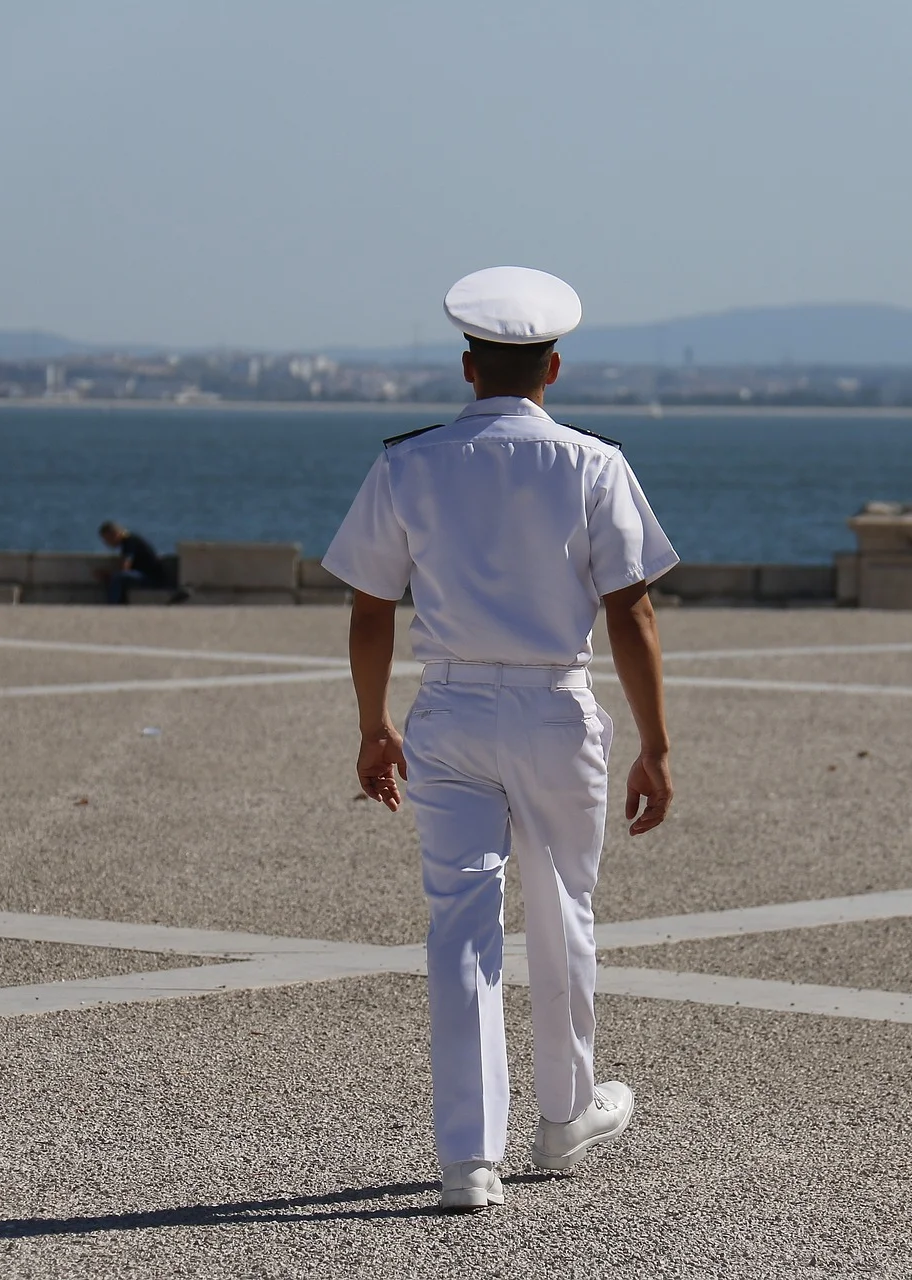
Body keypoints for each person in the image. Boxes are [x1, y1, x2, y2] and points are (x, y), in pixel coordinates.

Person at [322, 267, 679, 1212]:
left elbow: (370, 609)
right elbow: (632, 616)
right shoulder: (594, 464)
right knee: (564, 907)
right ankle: (564, 1114)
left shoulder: (407, 462)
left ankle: (468, 1160)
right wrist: (657, 744)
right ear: (553, 367)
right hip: (556, 707)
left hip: (449, 710)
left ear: (469, 366)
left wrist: (373, 726)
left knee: (461, 926)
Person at [94, 521, 167, 604]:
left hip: (151, 578)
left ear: (115, 534)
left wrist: (108, 574)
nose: (107, 544)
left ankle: (112, 605)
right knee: (117, 579)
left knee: (118, 578)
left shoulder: (129, 541)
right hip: (145, 575)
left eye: (108, 540)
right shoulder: (128, 541)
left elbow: (124, 568)